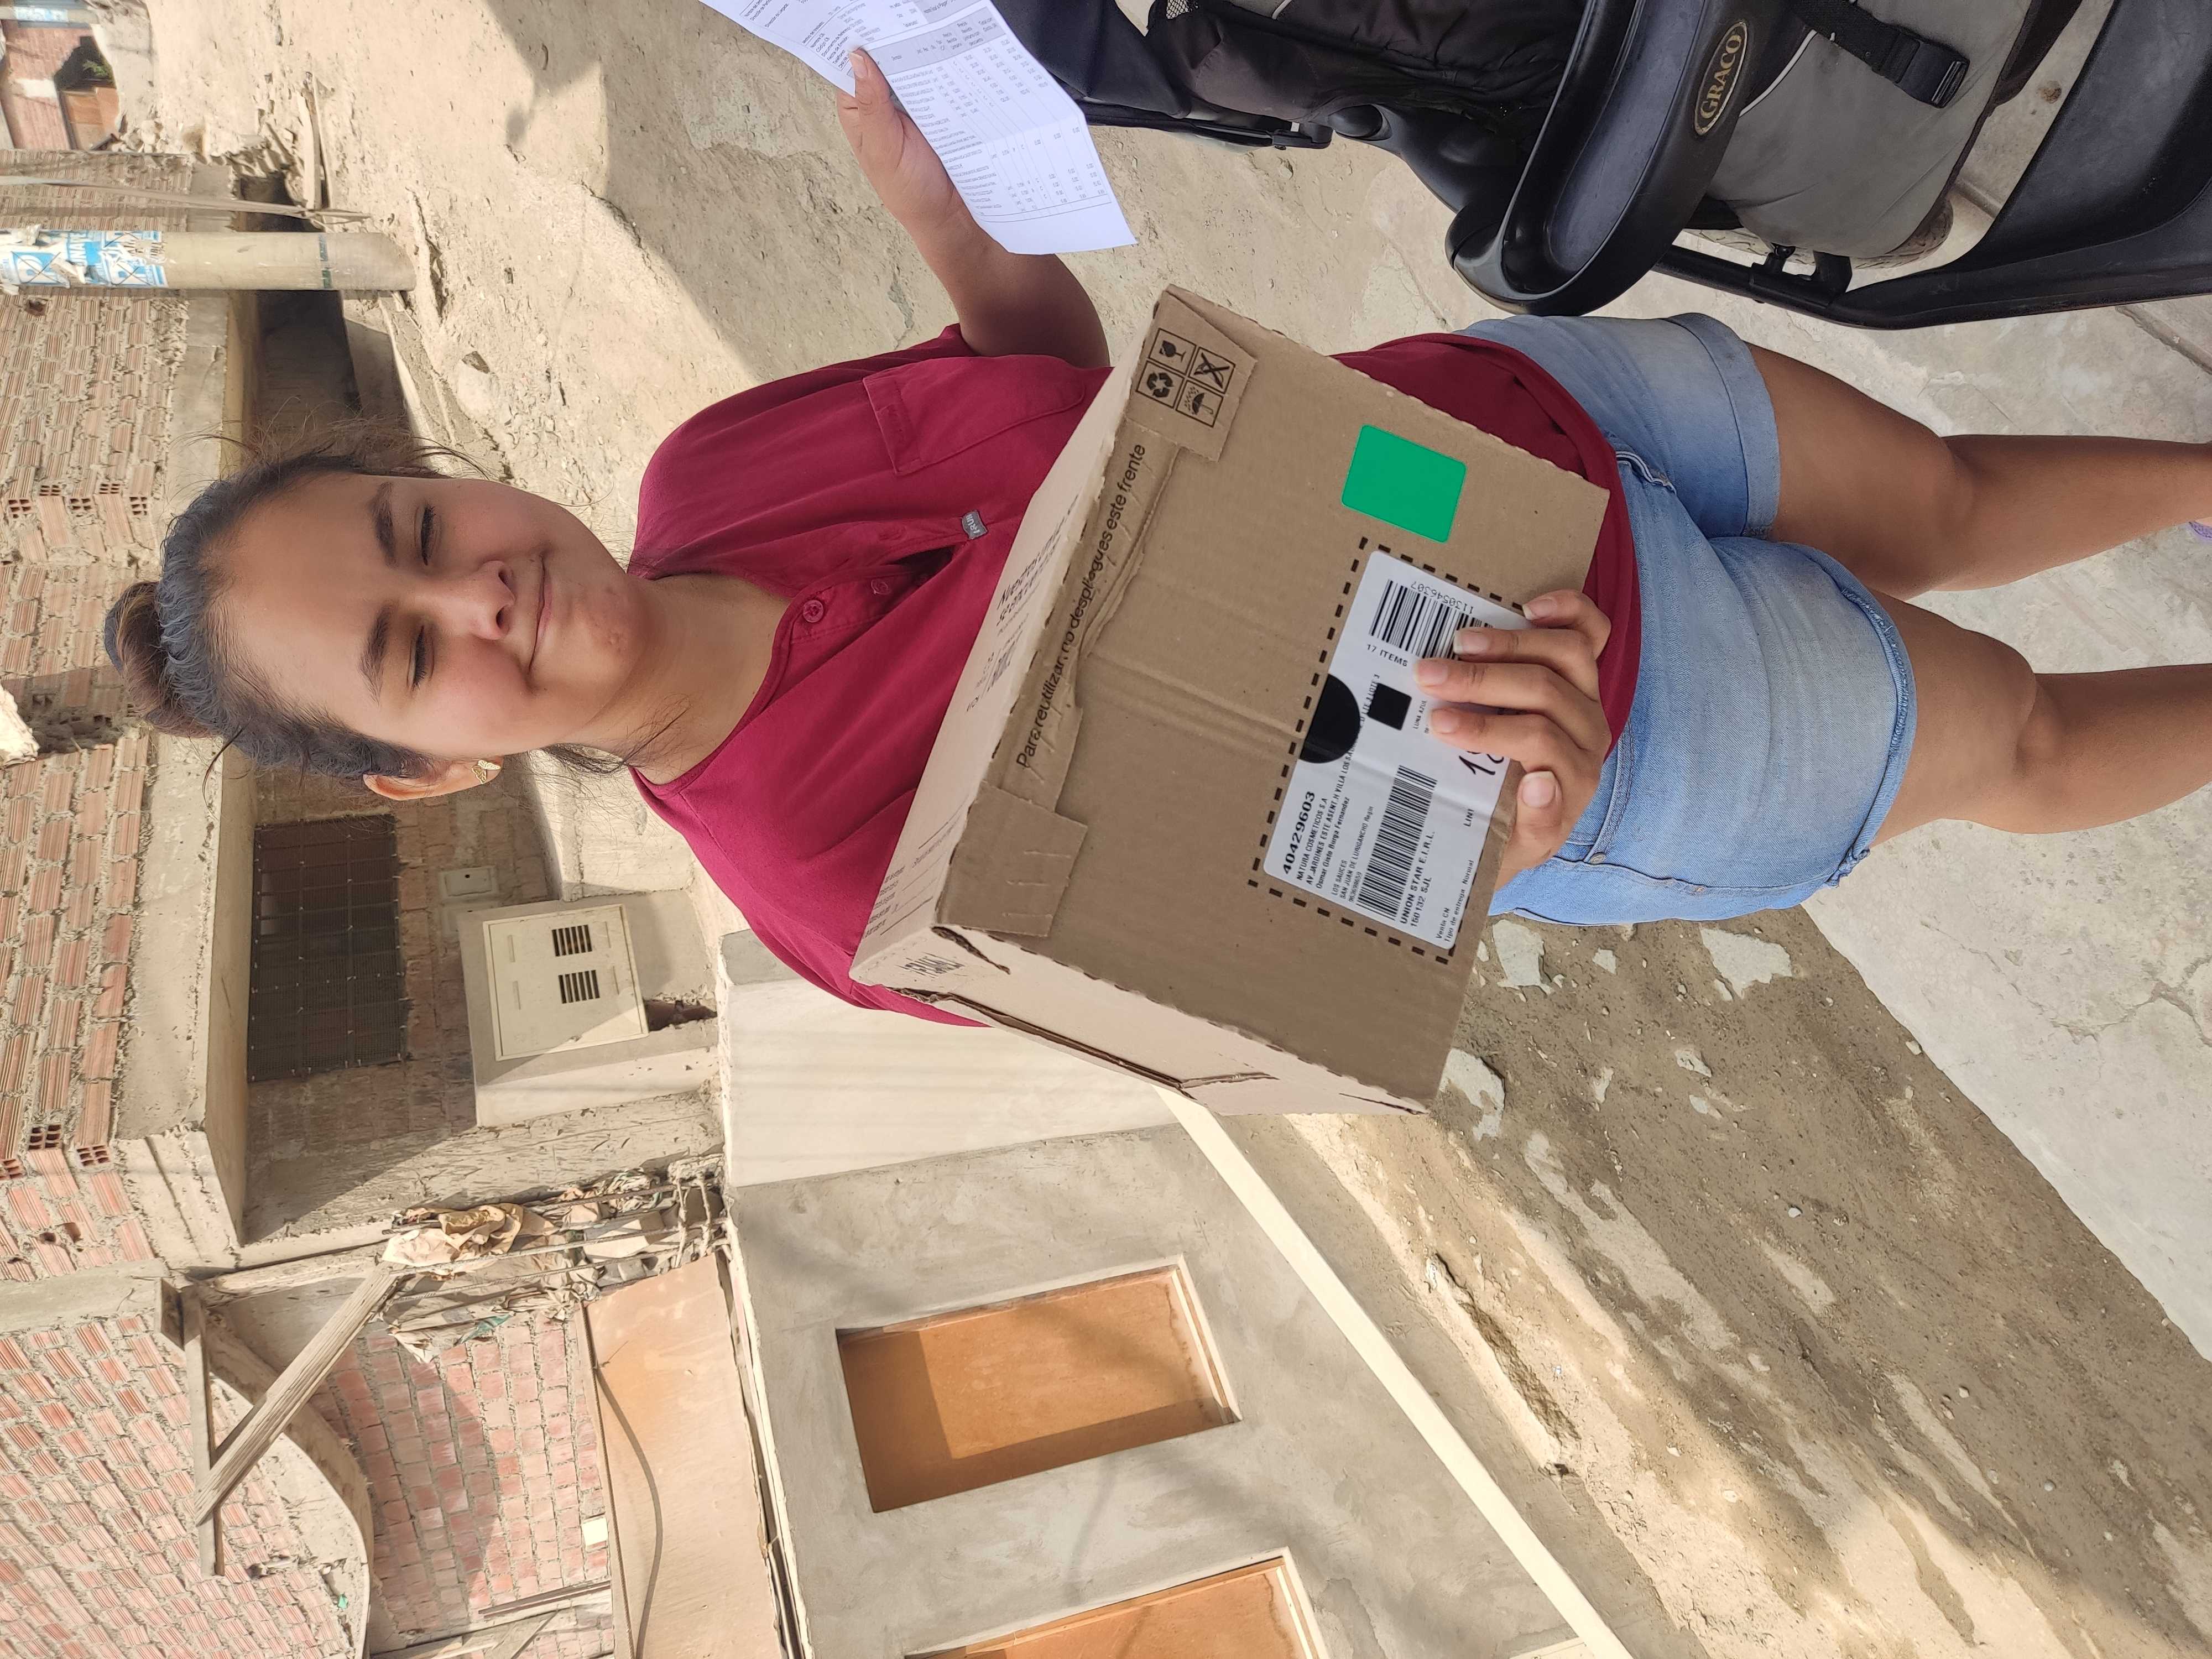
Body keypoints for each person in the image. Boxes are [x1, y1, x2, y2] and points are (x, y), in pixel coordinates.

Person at [106, 53, 2212, 1024]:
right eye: (410, 650)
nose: (475, 586)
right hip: (1639, 722)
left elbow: (1055, 394)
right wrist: (1513, 832)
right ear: (428, 772)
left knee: (1948, 496)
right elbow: (1276, 981)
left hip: (1506, 425)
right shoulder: (844, 896)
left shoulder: (710, 473)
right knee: (2021, 738)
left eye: (414, 525)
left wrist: (949, 220)